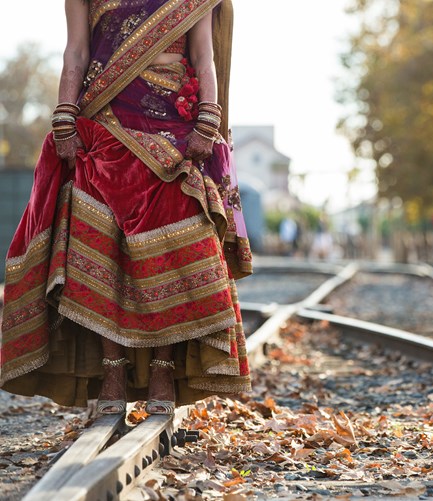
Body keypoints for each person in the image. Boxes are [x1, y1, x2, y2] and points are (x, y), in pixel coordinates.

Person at [0, 0, 253, 416]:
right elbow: (77, 51)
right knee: (102, 249)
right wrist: (64, 115)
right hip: (105, 125)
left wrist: (208, 118)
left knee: (173, 249)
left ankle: (162, 370)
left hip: (173, 129)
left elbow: (203, 55)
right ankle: (112, 371)